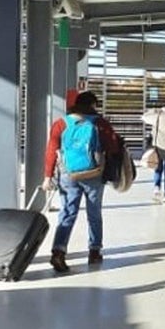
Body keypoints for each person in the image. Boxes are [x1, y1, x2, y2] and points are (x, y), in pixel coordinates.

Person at [43, 90, 120, 272]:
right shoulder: (100, 123)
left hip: (68, 174)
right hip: (93, 174)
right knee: (94, 214)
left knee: (68, 213)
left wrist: (47, 177)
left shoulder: (61, 124)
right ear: (93, 105)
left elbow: (51, 150)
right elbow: (113, 147)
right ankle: (94, 251)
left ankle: (58, 252)